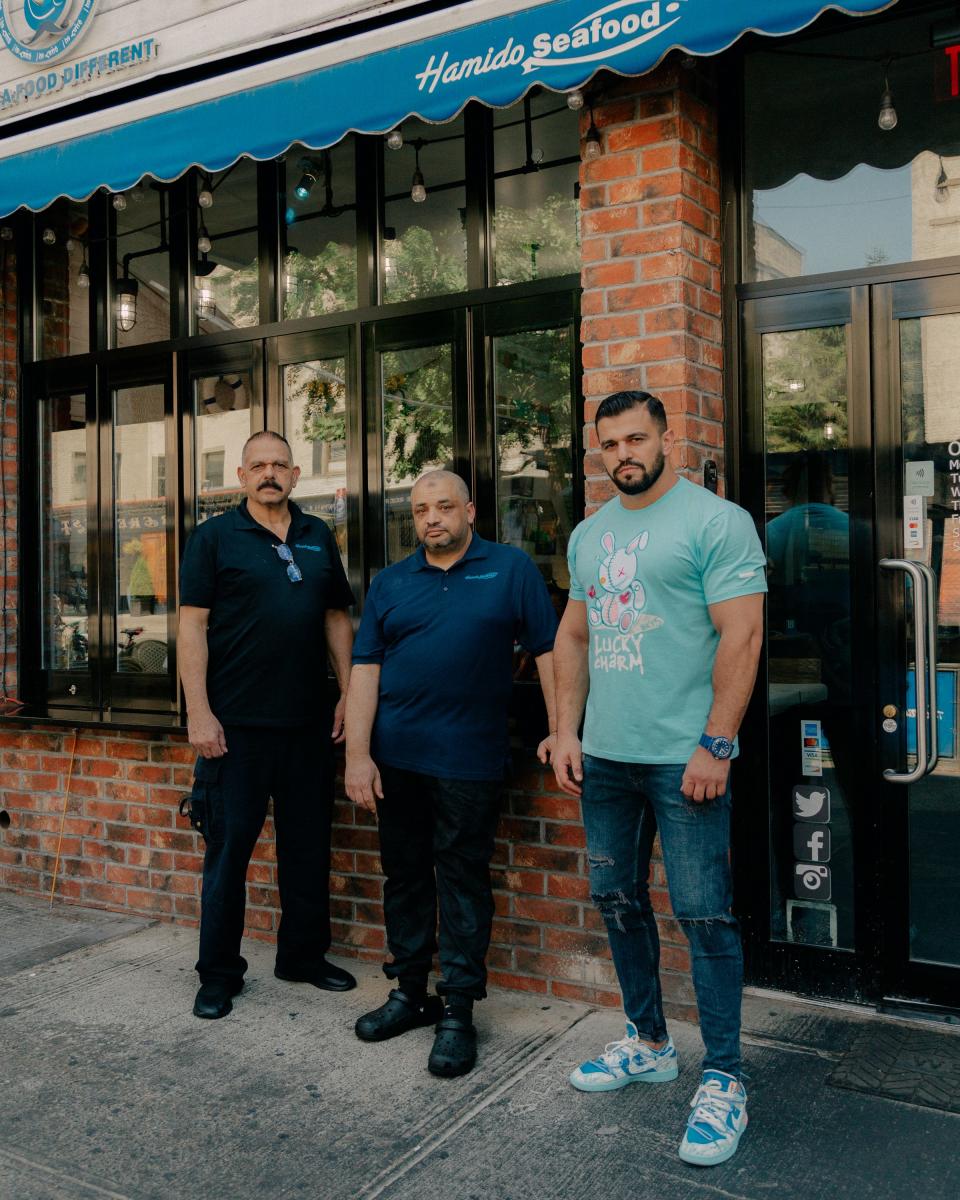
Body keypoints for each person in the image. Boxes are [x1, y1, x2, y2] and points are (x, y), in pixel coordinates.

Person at [551, 392, 765, 1167]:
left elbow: (743, 633)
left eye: (636, 437)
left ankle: (726, 1076)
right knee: (616, 897)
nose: (622, 453)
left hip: (686, 757)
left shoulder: (716, 522)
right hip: (606, 757)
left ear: (666, 437)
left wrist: (718, 742)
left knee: (704, 913)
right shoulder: (589, 534)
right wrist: (566, 731)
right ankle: (647, 1040)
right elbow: (573, 634)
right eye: (609, 443)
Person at [345, 470, 557, 1077]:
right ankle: (410, 994)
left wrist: (562, 729)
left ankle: (458, 1010)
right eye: (419, 510)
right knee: (405, 878)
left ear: (468, 511)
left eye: (443, 507)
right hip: (397, 761)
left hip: (470, 761)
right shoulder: (390, 583)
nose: (431, 518)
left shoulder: (511, 569)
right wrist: (358, 755)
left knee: (462, 881)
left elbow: (548, 652)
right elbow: (365, 673)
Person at [179, 430, 357, 1020]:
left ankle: (302, 957)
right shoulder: (213, 538)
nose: (269, 474)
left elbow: (335, 617)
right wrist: (199, 713)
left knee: (307, 849)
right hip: (236, 729)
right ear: (241, 475)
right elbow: (191, 629)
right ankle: (218, 974)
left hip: (308, 725)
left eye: (279, 464)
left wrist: (348, 696)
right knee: (228, 854)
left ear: (296, 474)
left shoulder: (316, 535)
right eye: (258, 465)